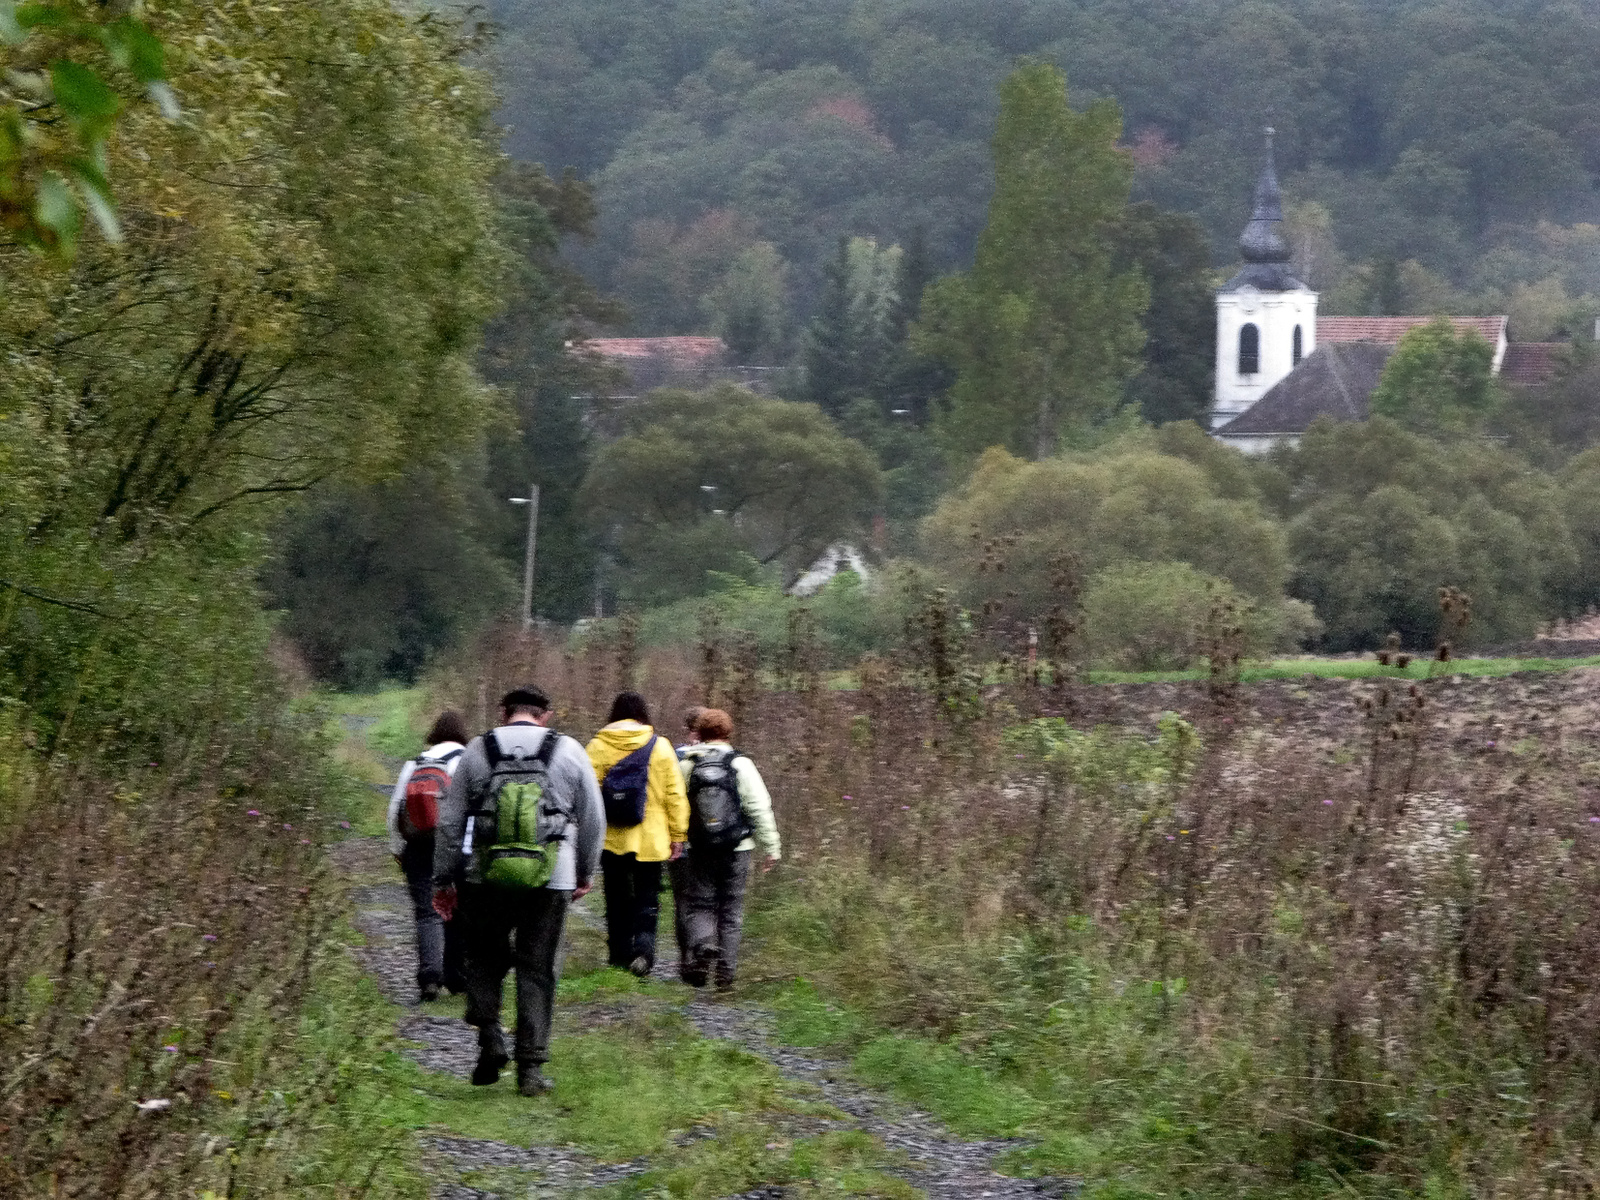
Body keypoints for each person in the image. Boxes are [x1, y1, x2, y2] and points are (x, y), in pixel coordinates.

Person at [433, 686, 604, 1096]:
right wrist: (584, 871)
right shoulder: (568, 750)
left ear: (503, 712)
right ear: (544, 715)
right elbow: (593, 817)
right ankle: (530, 1072)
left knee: (484, 961)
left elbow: (450, 822)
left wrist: (443, 879)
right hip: (551, 877)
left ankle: (490, 1037)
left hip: (485, 877)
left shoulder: (477, 750)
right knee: (538, 968)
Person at [585, 692, 689, 977]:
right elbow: (675, 794)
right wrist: (678, 834)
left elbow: (587, 798)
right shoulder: (662, 747)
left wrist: (585, 836)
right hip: (651, 839)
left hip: (611, 837)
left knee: (616, 898)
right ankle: (643, 951)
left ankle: (618, 956)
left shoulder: (597, 746)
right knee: (647, 897)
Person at [676, 708, 780, 991]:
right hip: (738, 848)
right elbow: (759, 807)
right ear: (727, 733)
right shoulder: (741, 764)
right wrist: (771, 847)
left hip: (699, 848)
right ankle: (725, 975)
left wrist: (676, 839)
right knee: (731, 909)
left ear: (700, 733)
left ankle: (703, 947)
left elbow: (674, 807)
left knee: (701, 904)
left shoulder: (686, 765)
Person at [386, 710, 469, 1003]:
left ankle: (430, 978)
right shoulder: (468, 760)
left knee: (426, 911)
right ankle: (457, 976)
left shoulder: (416, 763)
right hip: (457, 846)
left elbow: (396, 808)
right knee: (459, 909)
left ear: (434, 734)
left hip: (418, 848)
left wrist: (398, 849)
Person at [667, 706, 705, 979]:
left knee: (683, 901)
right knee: (709, 901)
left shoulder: (674, 757)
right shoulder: (729, 757)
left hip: (680, 842)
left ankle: (686, 959)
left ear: (688, 727)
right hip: (717, 844)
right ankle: (706, 956)